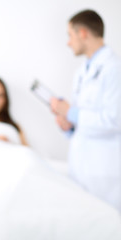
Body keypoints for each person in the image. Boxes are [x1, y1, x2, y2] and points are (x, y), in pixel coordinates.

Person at [50, 10, 121, 212]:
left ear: (82, 33)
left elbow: (114, 120)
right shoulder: (82, 71)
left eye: (70, 35)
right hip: (82, 165)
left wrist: (71, 112)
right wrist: (68, 125)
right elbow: (85, 119)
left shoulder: (113, 68)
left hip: (104, 172)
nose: (68, 42)